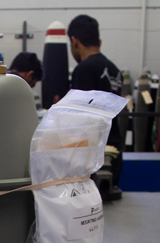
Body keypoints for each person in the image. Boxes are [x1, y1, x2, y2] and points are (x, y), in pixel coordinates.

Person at [67, 15, 124, 189]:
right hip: (114, 152)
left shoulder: (84, 69)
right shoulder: (114, 70)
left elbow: (80, 120)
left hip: (92, 159)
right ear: (98, 41)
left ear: (74, 41)